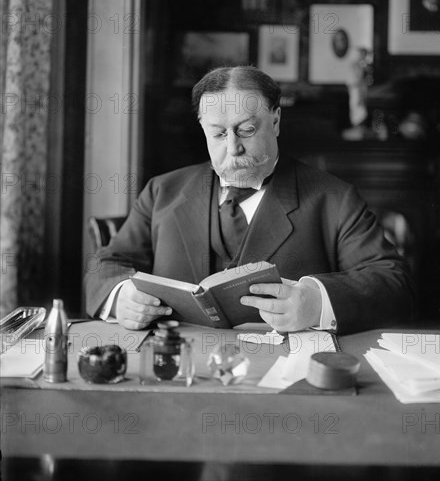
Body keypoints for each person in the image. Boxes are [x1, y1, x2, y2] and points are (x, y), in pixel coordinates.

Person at [85, 66, 414, 334]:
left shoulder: (334, 199)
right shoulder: (163, 192)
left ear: (275, 121)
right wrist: (120, 296)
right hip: (181, 374)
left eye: (245, 130)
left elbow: (392, 281)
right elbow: (108, 264)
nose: (232, 148)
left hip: (284, 381)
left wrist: (317, 302)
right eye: (218, 134)